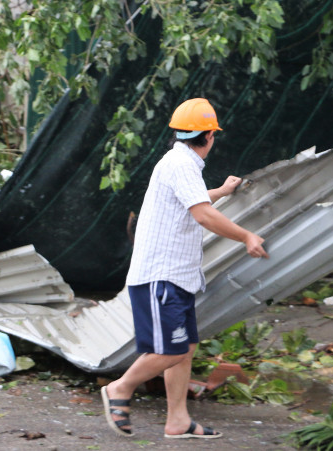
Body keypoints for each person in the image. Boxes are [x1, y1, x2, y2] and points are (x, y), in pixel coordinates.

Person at [101, 97, 269, 439]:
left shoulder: (180, 162)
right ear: (208, 136)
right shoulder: (181, 164)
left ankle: (177, 420)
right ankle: (120, 388)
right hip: (160, 276)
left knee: (184, 348)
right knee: (170, 349)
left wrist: (220, 191)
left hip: (175, 276)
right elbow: (202, 214)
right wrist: (247, 236)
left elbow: (192, 200)